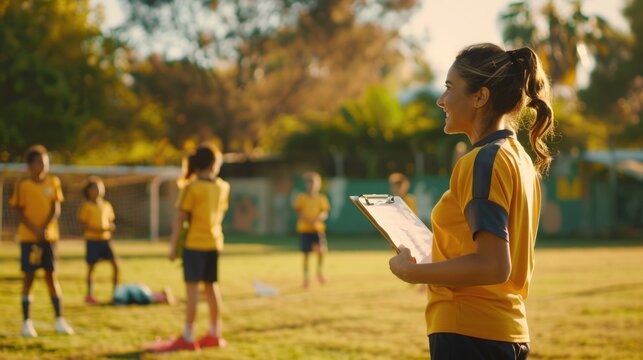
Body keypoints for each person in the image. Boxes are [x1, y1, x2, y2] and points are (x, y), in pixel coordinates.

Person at [388, 43, 554, 360]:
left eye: (450, 88)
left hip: (469, 333)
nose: (441, 100)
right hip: (504, 331)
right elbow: (481, 252)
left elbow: (493, 265)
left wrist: (413, 273)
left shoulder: (483, 160)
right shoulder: (518, 158)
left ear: (480, 97)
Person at [150, 145, 230, 353]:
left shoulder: (192, 188)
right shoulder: (223, 187)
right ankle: (215, 334)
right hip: (214, 243)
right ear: (213, 164)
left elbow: (180, 219)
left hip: (194, 244)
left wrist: (172, 247)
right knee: (212, 287)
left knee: (193, 290)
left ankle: (187, 337)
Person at [9, 145, 75, 337]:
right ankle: (26, 322)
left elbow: (56, 208)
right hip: (29, 240)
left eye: (46, 163)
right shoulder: (23, 185)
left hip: (49, 239)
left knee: (51, 277)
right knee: (29, 278)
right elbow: (19, 210)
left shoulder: (54, 181)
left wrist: (44, 228)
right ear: (30, 165)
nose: (43, 167)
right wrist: (35, 229)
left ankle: (59, 319)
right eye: (39, 163)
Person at [78, 176, 119, 305]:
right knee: (91, 268)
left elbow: (110, 221)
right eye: (95, 187)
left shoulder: (107, 205)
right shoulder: (86, 206)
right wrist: (97, 230)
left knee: (116, 265)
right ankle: (89, 295)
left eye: (100, 187)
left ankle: (115, 294)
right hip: (92, 240)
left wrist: (110, 228)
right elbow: (83, 224)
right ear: (89, 191)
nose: (99, 190)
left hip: (105, 240)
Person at [293, 171, 331, 289]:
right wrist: (308, 220)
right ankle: (305, 279)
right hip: (305, 230)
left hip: (317, 229)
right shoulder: (301, 197)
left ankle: (319, 272)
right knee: (306, 255)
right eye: (310, 183)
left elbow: (325, 212)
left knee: (321, 251)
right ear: (307, 184)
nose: (312, 185)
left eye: (314, 183)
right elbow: (298, 211)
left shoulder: (321, 198)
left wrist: (319, 218)